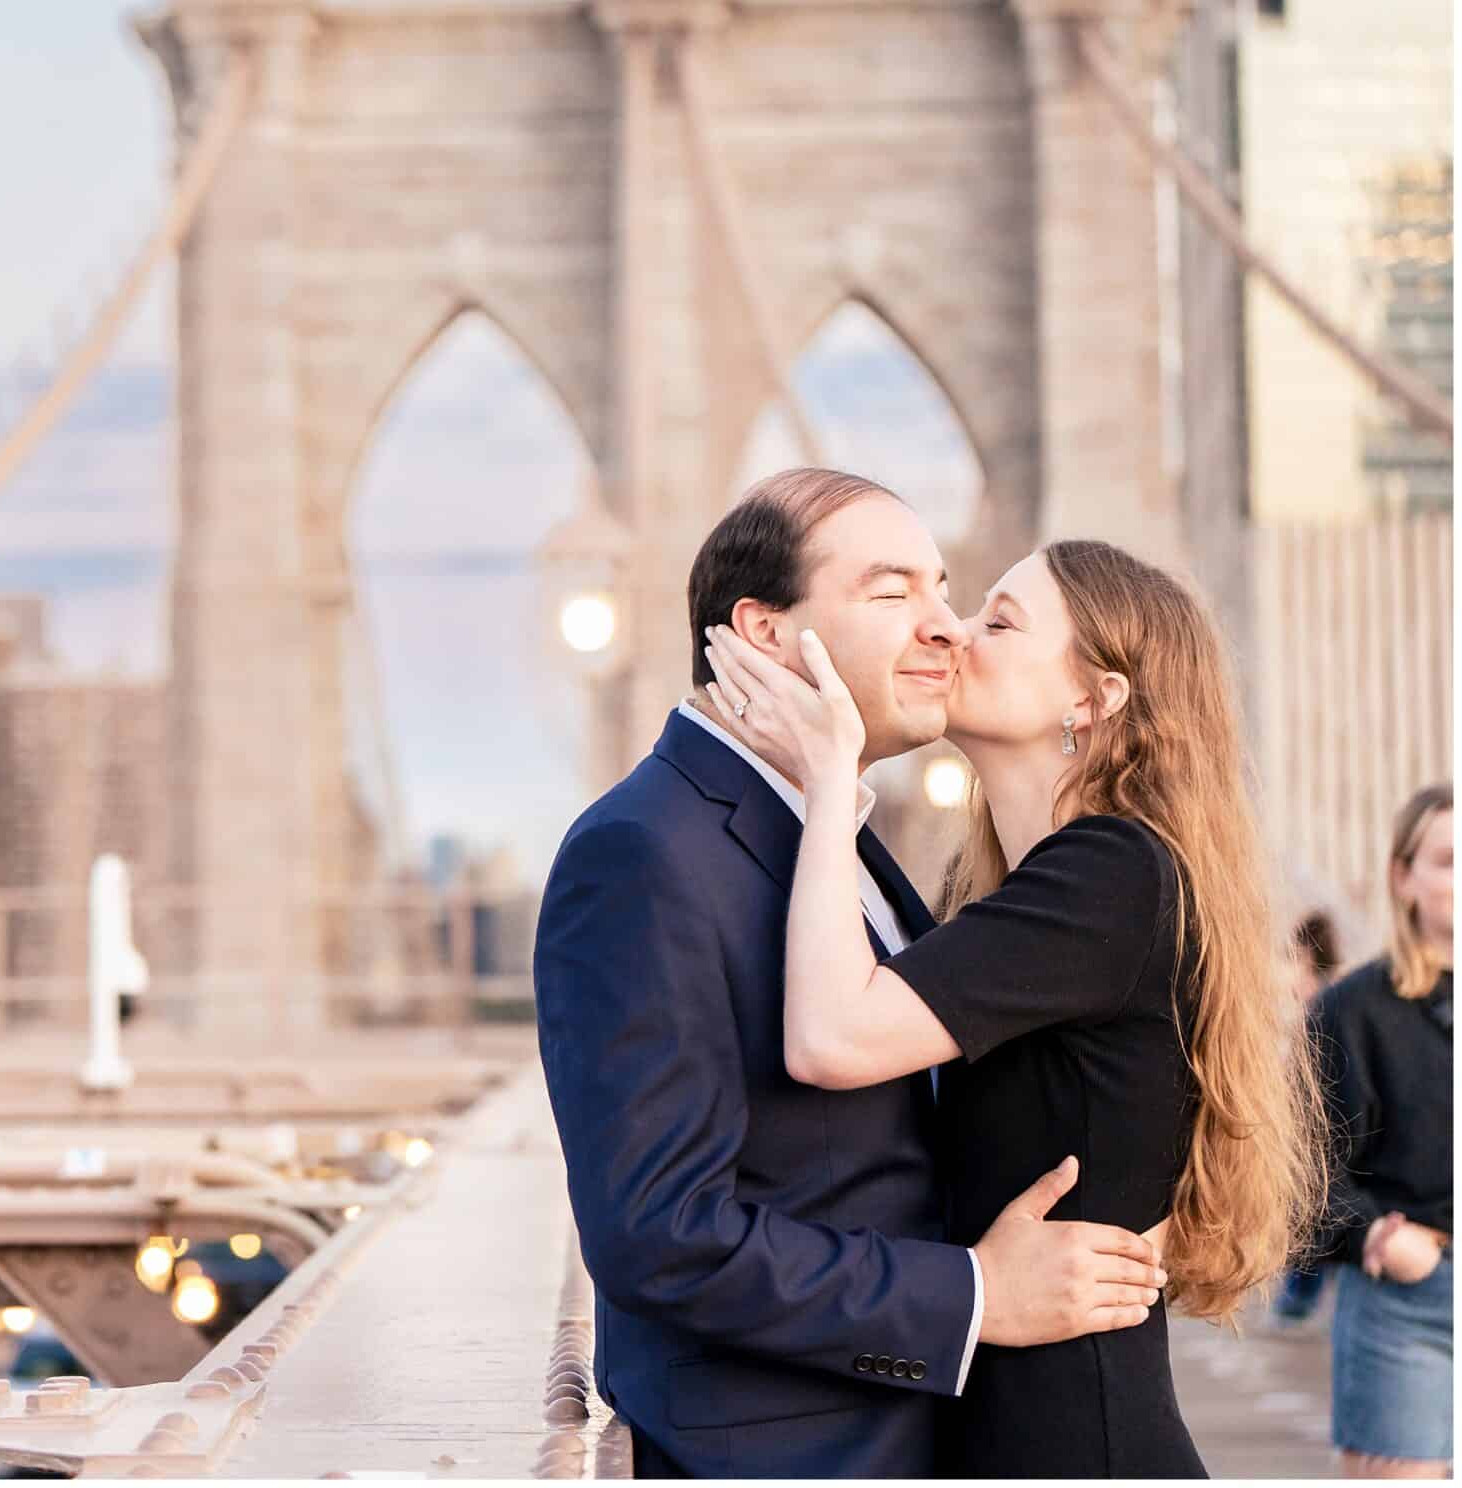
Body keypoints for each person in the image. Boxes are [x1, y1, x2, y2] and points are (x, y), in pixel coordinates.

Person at [535, 471, 1167, 1480]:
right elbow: (657, 1232)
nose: (945, 626)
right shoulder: (645, 851)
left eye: (946, 588)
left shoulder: (839, 843)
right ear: (764, 631)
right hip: (790, 1450)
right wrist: (969, 1296)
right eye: (891, 592)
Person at [702, 537, 1326, 1478]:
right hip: (1022, 1423)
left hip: (1077, 1438)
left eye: (998, 620)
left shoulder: (1110, 872)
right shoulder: (1015, 885)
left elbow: (832, 1039)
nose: (953, 631)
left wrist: (831, 780)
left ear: (1092, 699)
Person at [1309, 783, 1452, 1479]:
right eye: (1447, 858)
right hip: (1408, 1304)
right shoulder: (1353, 1010)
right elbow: (1306, 1169)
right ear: (1404, 877)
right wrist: (1373, 1235)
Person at [1274, 911, 1348, 1327]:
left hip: (1325, 1136)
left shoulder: (1329, 1005)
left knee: (1318, 1216)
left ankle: (1297, 1300)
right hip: (1323, 1136)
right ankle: (1299, 1297)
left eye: (1295, 960)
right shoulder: (1330, 1001)